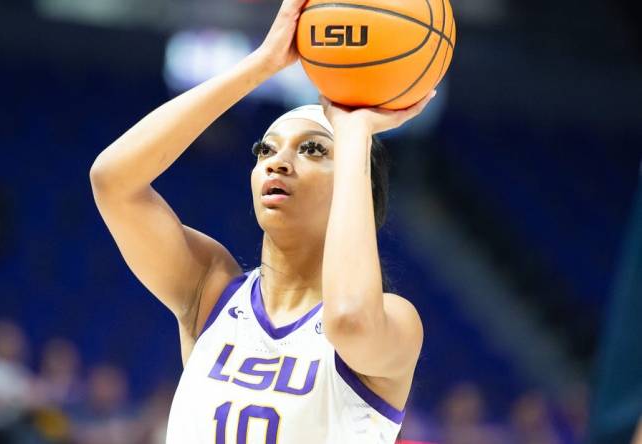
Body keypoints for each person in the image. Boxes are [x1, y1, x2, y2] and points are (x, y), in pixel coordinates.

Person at [89, 0, 433, 441]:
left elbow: (348, 319)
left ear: (355, 184)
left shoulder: (395, 321)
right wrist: (261, 64)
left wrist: (353, 132)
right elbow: (112, 181)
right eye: (265, 150)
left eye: (312, 149)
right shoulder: (210, 288)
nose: (278, 163)